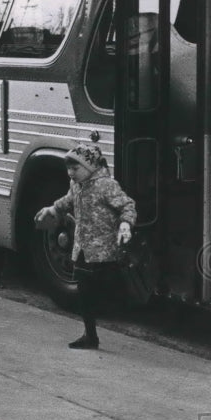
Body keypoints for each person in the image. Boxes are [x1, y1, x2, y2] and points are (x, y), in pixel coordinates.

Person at [34, 143, 136, 350]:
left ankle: (97, 328)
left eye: (76, 168)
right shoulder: (76, 185)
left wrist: (126, 224)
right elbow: (69, 200)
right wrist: (53, 209)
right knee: (84, 292)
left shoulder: (106, 185)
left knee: (105, 286)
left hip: (104, 249)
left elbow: (127, 205)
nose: (71, 173)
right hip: (82, 247)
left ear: (89, 167)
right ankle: (90, 335)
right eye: (69, 169)